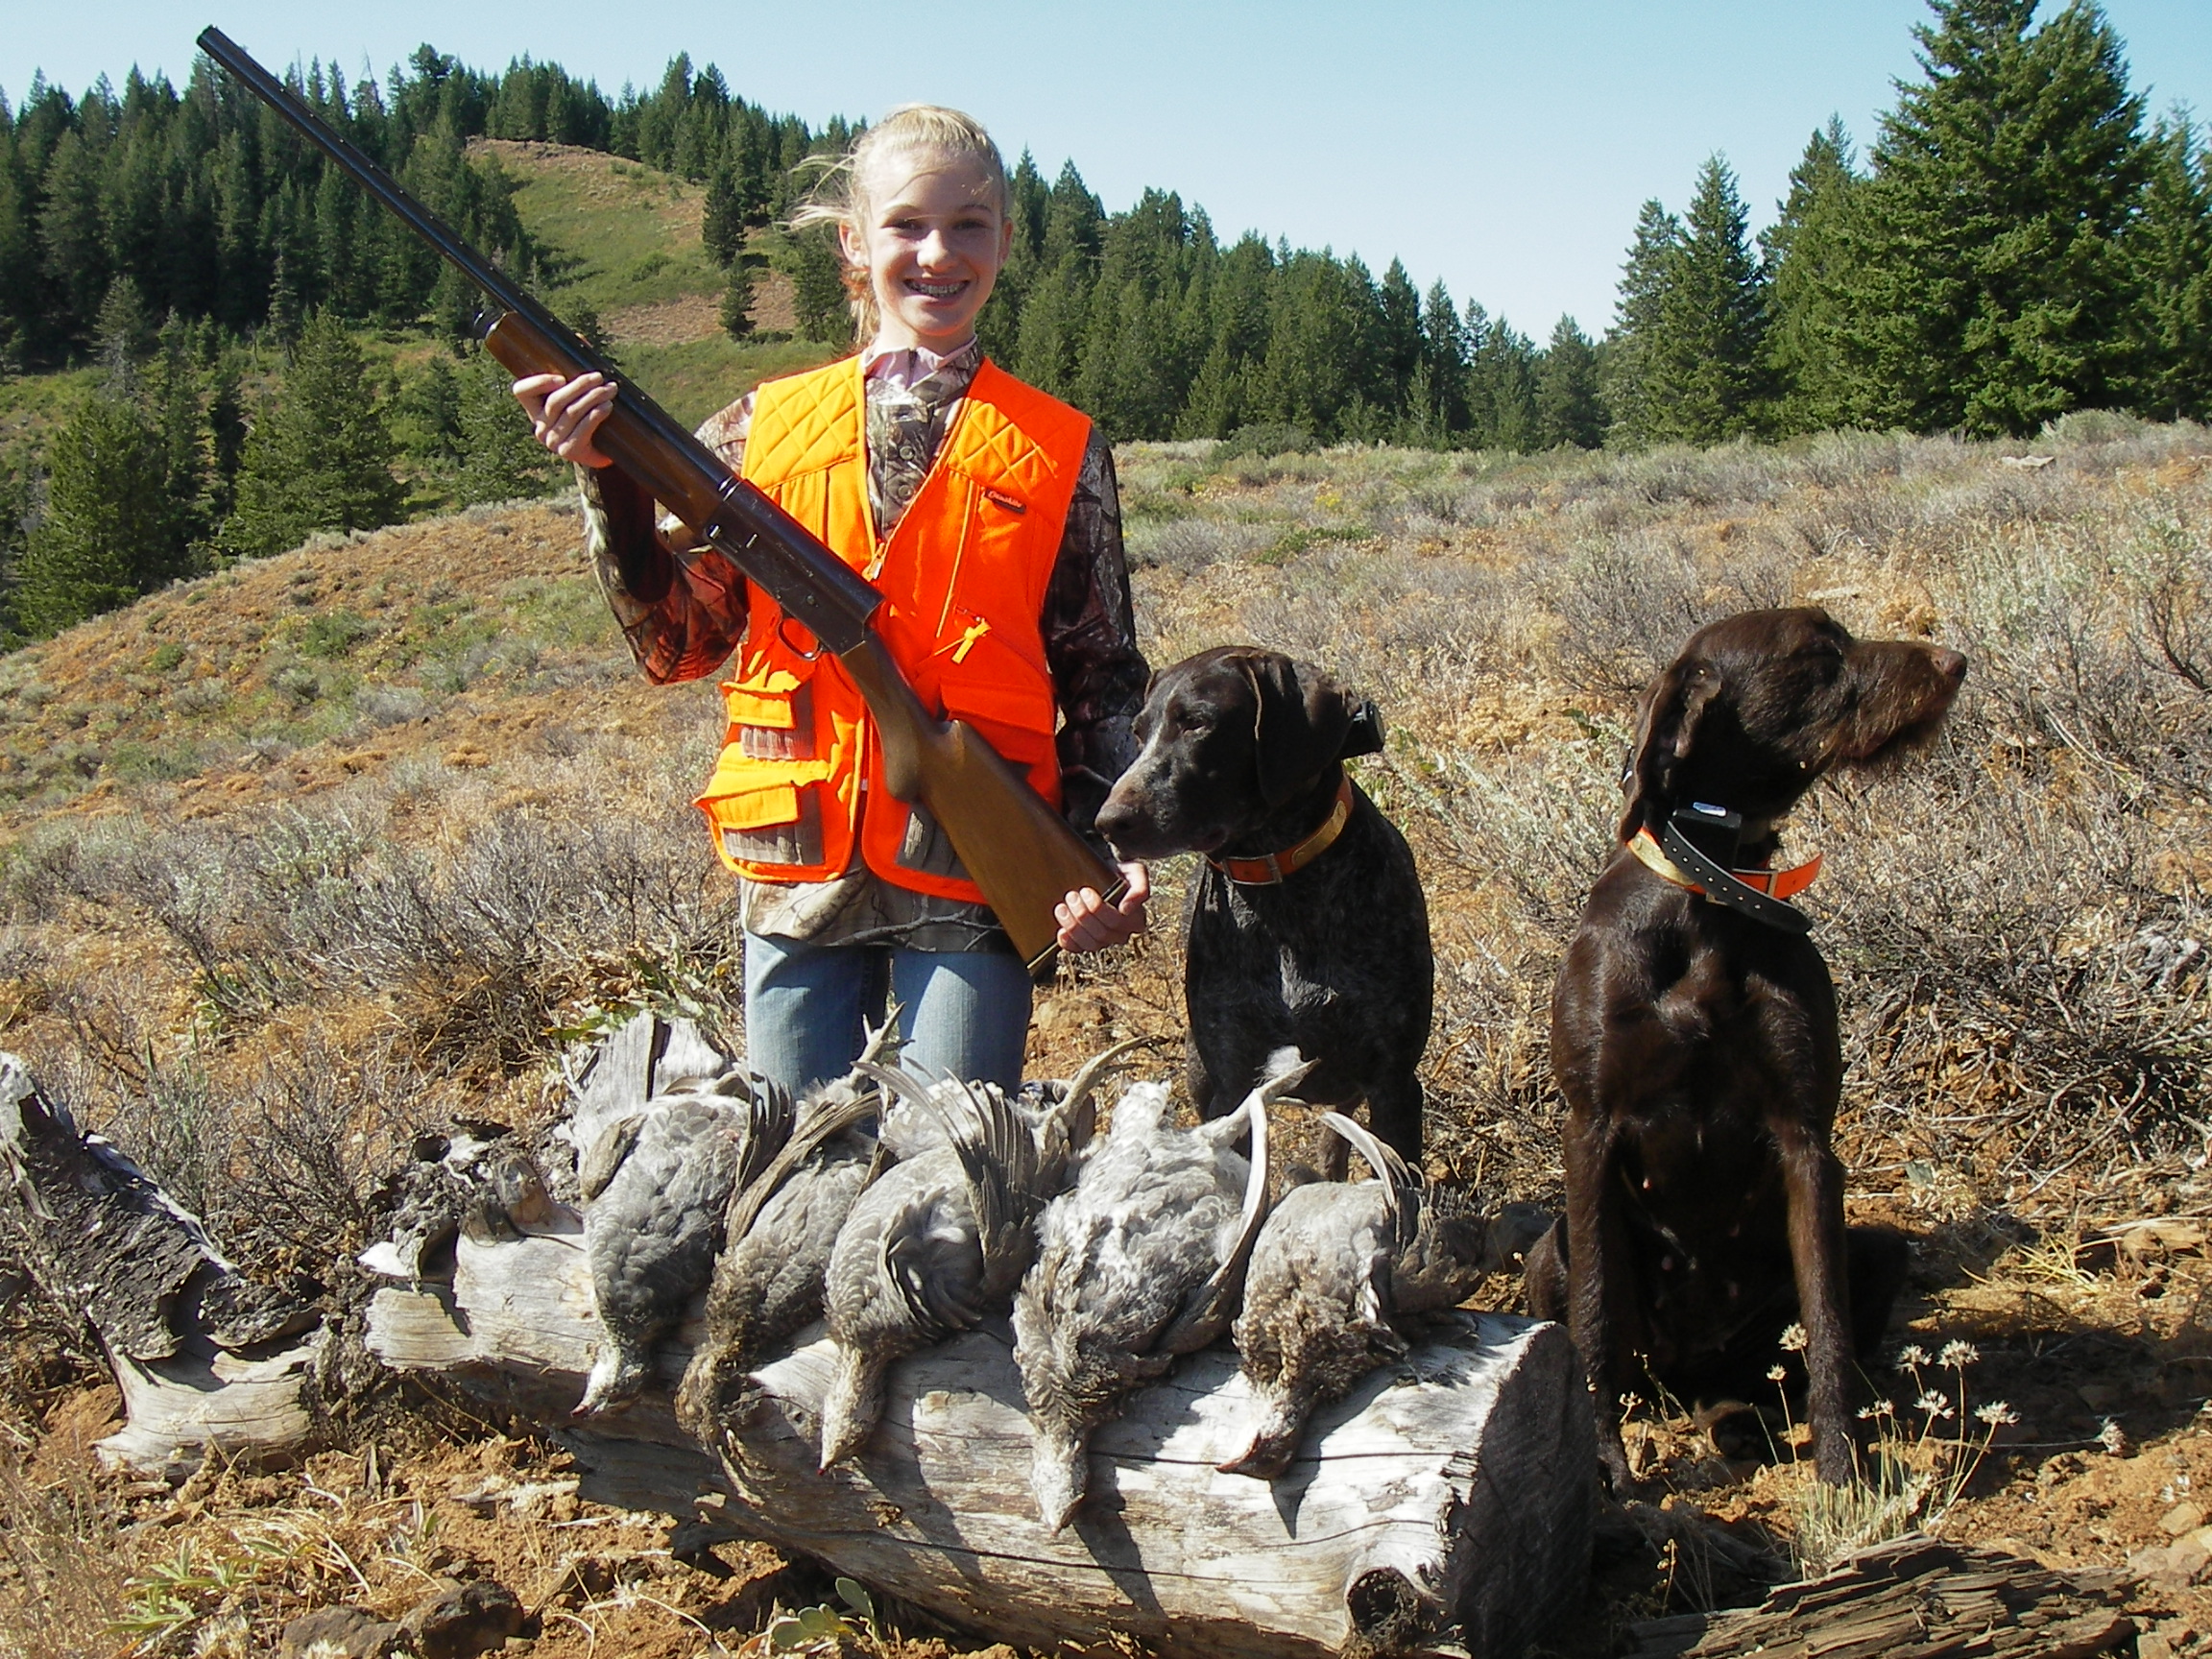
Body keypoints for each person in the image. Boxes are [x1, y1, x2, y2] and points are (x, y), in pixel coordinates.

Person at [515, 105, 1149, 1095]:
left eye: (970, 225)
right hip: (796, 867)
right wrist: (609, 480)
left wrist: (1107, 849)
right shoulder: (759, 429)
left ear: (1007, 243)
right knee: (793, 1187)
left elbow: (1104, 678)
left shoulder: (1059, 446)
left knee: (950, 1179)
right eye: (906, 224)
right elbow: (678, 645)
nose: (938, 252)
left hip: (975, 870)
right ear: (855, 240)